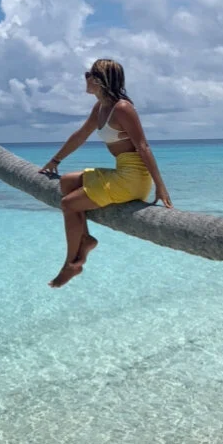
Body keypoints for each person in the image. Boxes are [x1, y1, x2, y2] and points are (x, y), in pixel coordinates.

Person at [40, 59, 172, 288]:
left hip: (133, 178)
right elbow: (81, 135)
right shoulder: (100, 107)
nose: (85, 78)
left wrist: (160, 186)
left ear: (100, 79)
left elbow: (143, 146)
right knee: (68, 182)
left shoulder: (122, 108)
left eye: (88, 74)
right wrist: (55, 160)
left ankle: (71, 265)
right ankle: (86, 239)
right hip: (123, 171)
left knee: (69, 204)